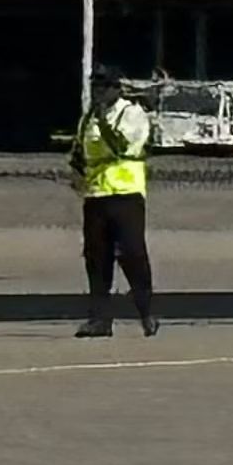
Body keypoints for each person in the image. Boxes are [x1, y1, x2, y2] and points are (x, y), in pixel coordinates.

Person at [65, 81, 160, 336]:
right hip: (96, 194)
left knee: (132, 254)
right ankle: (100, 319)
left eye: (104, 88)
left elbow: (122, 146)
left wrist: (104, 121)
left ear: (117, 90)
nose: (99, 93)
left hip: (126, 194)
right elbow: (79, 152)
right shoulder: (88, 119)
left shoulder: (132, 114)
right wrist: (76, 172)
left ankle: (146, 311)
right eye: (96, 88)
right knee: (96, 257)